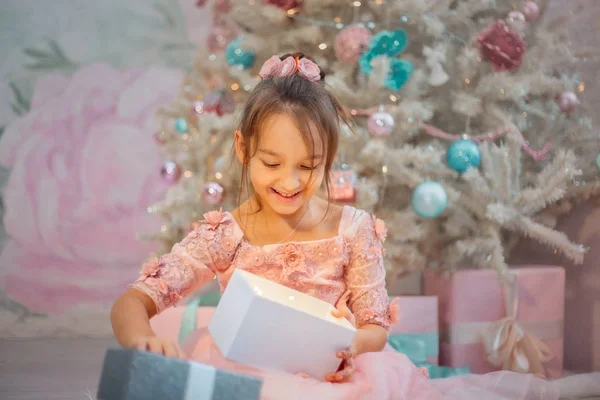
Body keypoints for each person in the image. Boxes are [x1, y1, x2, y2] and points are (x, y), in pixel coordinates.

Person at [111, 53, 561, 399]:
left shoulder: (352, 229)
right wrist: (144, 341)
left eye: (308, 167)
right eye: (272, 163)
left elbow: (374, 324)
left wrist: (350, 347)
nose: (289, 182)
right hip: (249, 370)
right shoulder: (226, 234)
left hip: (336, 373)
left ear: (328, 160)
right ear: (244, 150)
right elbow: (134, 302)